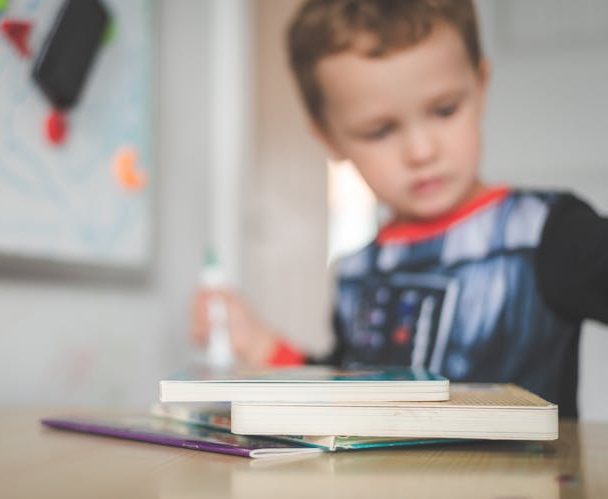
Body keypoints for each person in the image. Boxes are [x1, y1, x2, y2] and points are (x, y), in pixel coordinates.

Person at [191, 0, 608, 417]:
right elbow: (346, 391)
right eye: (380, 130)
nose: (422, 151)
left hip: (520, 484)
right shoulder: (357, 272)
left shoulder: (550, 232)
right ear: (329, 138)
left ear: (480, 86)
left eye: (444, 110)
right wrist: (262, 345)